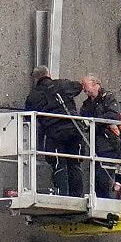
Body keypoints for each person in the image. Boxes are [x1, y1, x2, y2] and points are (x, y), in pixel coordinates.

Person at [25, 66, 84, 197]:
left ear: (35, 79)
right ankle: (77, 195)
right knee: (75, 163)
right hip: (73, 130)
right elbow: (78, 87)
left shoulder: (33, 96)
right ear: (49, 74)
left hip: (54, 134)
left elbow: (27, 117)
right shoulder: (61, 84)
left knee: (59, 165)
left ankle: (62, 195)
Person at [80, 74, 121, 198]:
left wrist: (95, 121)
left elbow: (114, 115)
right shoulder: (87, 104)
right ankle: (100, 197)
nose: (83, 89)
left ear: (95, 84)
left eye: (85, 85)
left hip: (109, 143)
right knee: (97, 176)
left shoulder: (108, 98)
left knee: (106, 175)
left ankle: (109, 198)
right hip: (96, 144)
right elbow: (82, 118)